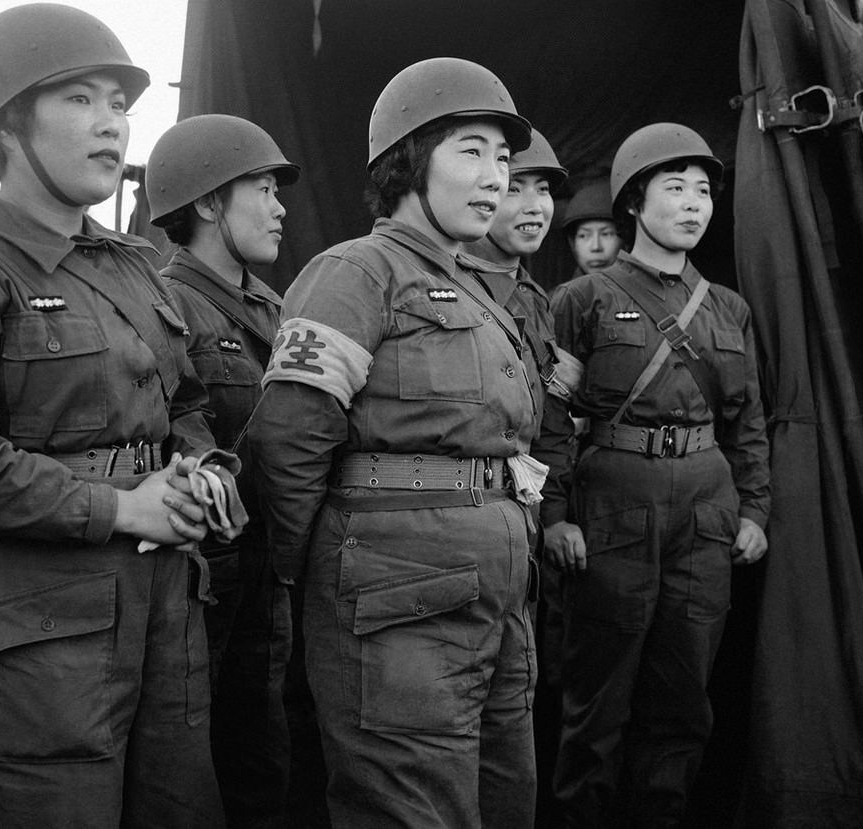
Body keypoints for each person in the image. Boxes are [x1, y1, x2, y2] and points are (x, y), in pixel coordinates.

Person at [0, 3, 238, 828]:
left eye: (119, 105)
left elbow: (185, 402)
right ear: (9, 124)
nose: (111, 125)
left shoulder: (137, 271)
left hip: (165, 616)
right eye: (80, 99)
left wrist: (203, 474)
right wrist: (122, 506)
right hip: (34, 640)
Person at [249, 57, 574, 829]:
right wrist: (303, 588)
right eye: (471, 150)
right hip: (394, 604)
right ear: (406, 162)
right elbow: (287, 443)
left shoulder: (480, 292)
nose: (496, 175)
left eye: (504, 157)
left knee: (502, 806)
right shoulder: (355, 274)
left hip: (495, 600)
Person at [546, 123, 770, 827]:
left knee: (683, 704)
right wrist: (554, 513)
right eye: (675, 188)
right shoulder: (580, 301)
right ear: (635, 203)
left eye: (703, 190)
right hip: (613, 508)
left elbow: (749, 422)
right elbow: (547, 417)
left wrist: (756, 511)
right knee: (598, 703)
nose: (694, 204)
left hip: (705, 514)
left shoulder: (729, 308)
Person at [145, 113, 299, 828]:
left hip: (274, 567)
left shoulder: (278, 304)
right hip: (204, 577)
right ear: (208, 202)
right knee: (194, 760)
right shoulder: (164, 303)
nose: (280, 207)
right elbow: (174, 416)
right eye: (262, 189)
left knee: (264, 751)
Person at [459, 128, 579, 826]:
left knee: (511, 733)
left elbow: (551, 430)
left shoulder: (536, 300)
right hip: (453, 527)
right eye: (517, 186)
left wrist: (553, 513)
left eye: (544, 190)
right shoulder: (437, 279)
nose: (534, 204)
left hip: (521, 537)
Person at [560, 179, 624, 276]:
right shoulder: (562, 291)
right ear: (573, 243)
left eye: (606, 234)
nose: (596, 247)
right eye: (584, 236)